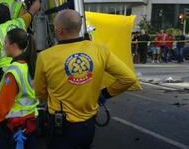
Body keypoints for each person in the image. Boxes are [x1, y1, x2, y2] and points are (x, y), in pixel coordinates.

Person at [34, 9, 137, 149]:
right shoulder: (100, 51)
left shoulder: (45, 57)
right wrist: (104, 94)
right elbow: (129, 78)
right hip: (88, 125)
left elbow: (40, 93)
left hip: (60, 125)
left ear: (60, 30)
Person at [0, 28, 39, 149]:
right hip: (30, 122)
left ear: (14, 45)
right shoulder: (31, 65)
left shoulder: (14, 71)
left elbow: (4, 104)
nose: (3, 46)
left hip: (13, 127)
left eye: (5, 43)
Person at [0, 0, 40, 106]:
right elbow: (33, 10)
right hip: (23, 69)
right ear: (10, 14)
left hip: (3, 73)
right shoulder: (20, 22)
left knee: (3, 103)